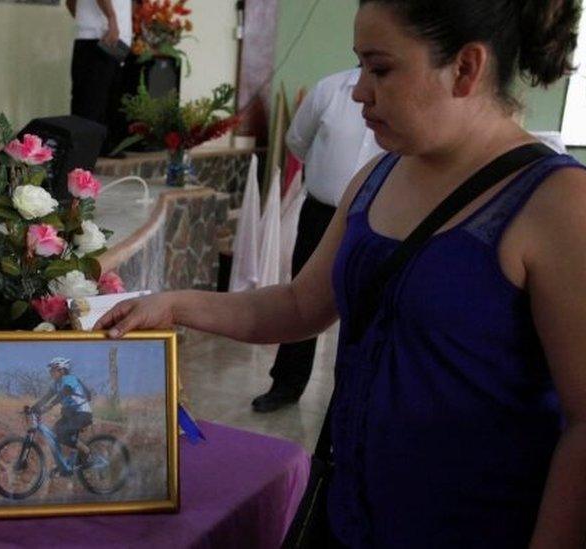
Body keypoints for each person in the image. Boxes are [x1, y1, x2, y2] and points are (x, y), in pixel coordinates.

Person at [96, 0, 586, 546]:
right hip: (347, 516)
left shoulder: (558, 203)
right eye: (360, 68)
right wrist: (172, 304)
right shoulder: (377, 176)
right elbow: (300, 307)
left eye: (380, 69)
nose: (358, 92)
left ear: (466, 68)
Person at [252, 68, 384, 413]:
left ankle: (355, 397)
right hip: (322, 212)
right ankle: (286, 383)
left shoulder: (400, 93)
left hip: (378, 219)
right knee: (303, 298)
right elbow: (297, 140)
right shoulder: (330, 89)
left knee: (369, 307)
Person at [66, 0, 133, 156]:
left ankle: (102, 146)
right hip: (98, 36)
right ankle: (84, 152)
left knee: (108, 99)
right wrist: (111, 19)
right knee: (90, 101)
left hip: (114, 39)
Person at [31, 357, 94, 473]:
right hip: (70, 415)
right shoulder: (56, 384)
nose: (51, 372)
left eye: (53, 370)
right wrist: (34, 408)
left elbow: (64, 392)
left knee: (62, 433)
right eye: (51, 370)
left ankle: (87, 453)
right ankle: (62, 464)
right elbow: (47, 397)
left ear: (62, 370)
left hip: (82, 413)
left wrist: (50, 406)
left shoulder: (69, 379)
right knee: (56, 433)